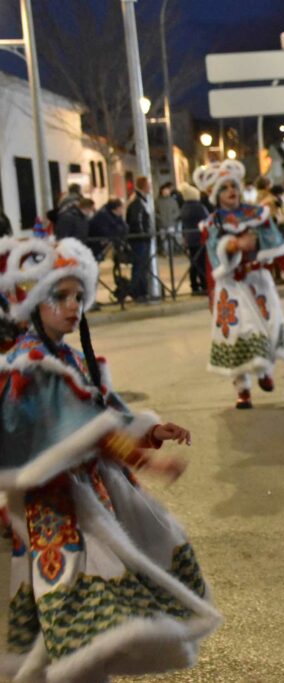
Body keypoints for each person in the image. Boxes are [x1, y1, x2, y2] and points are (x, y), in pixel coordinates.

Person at [0, 236, 220, 680]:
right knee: (73, 601)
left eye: (79, 296)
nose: (72, 306)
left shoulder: (68, 358)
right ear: (33, 301)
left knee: (85, 611)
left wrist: (149, 430)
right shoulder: (32, 366)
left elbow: (103, 413)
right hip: (53, 509)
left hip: (88, 497)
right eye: (59, 296)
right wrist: (145, 461)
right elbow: (84, 431)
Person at [193, 160, 284, 409]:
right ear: (216, 195)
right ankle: (242, 388)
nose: (232, 191)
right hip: (230, 287)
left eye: (234, 186)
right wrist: (230, 249)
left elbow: (275, 242)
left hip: (258, 281)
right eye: (225, 187)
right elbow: (212, 261)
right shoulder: (212, 223)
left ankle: (264, 371)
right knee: (236, 334)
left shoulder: (257, 214)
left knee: (267, 326)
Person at [178, 184, 209, 297]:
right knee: (201, 262)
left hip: (190, 238)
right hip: (200, 237)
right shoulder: (199, 207)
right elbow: (207, 219)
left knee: (194, 262)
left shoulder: (184, 207)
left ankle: (194, 285)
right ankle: (204, 284)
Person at [126, 176, 153, 301]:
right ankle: (138, 292)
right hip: (139, 240)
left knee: (142, 266)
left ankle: (142, 291)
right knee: (139, 265)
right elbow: (137, 221)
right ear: (143, 186)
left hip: (142, 239)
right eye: (148, 184)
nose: (150, 187)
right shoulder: (138, 201)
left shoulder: (141, 200)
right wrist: (143, 234)